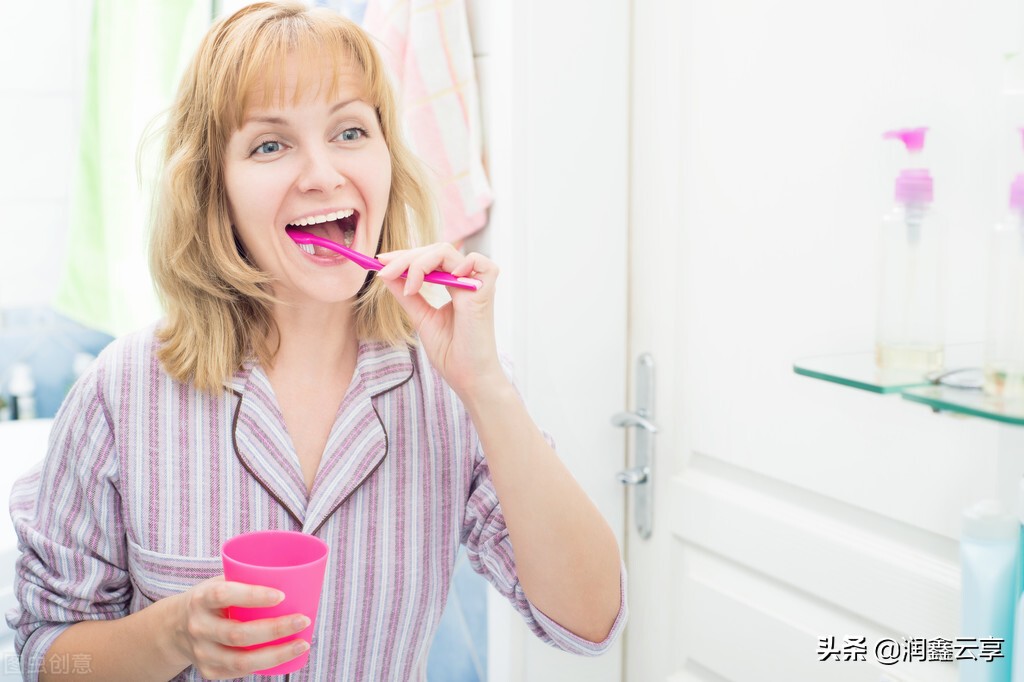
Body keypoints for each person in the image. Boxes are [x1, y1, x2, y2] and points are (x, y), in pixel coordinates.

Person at [6, 3, 626, 680]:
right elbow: (48, 657)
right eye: (270, 145)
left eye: (350, 131)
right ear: (215, 189)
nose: (323, 174)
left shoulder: (450, 388)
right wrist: (174, 635)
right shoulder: (122, 390)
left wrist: (487, 388)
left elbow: (590, 622)